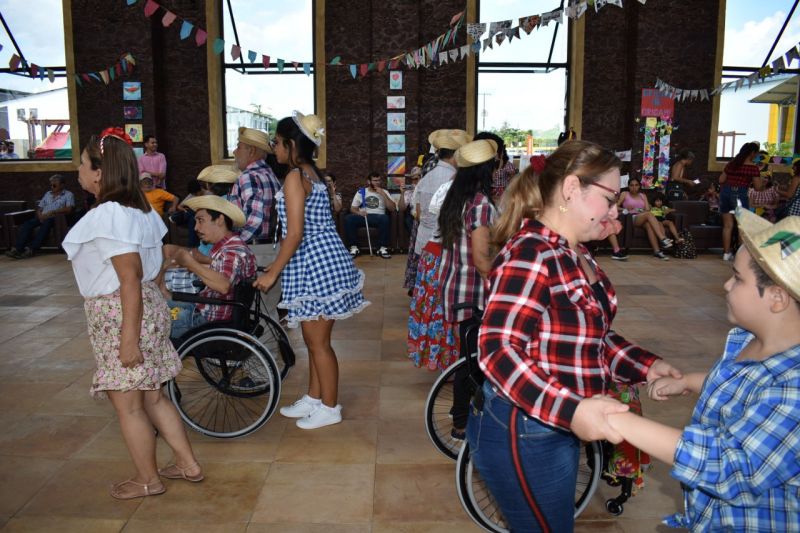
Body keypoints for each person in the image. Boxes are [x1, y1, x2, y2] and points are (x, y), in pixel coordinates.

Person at [470, 140, 681, 532]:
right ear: (571, 188)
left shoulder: (574, 251)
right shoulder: (532, 253)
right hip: (525, 427)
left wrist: (646, 366)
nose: (616, 211)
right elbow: (497, 348)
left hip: (553, 420)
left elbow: (589, 335)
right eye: (610, 199)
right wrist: (571, 410)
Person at [597, 208, 800, 532]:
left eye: (738, 278)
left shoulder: (794, 387)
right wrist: (690, 382)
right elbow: (741, 389)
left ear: (777, 297)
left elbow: (728, 464)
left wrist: (618, 421)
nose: (726, 284)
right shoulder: (749, 341)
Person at [62, 127, 201, 500]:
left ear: (99, 173)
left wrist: (128, 340)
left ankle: (147, 480)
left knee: (129, 405)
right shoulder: (140, 209)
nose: (79, 170)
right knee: (153, 396)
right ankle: (187, 464)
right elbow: (151, 267)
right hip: (144, 306)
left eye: (82, 164)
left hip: (122, 313)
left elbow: (129, 277)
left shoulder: (110, 214)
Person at [253, 111, 368, 430]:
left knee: (318, 343)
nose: (274, 148)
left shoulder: (295, 176)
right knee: (313, 339)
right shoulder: (312, 174)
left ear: (292, 145)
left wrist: (272, 273)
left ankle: (330, 407)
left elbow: (294, 234)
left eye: (277, 142)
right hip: (321, 260)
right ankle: (315, 397)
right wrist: (279, 266)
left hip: (316, 263)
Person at [437, 139, 498, 439]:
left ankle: (460, 412)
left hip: (456, 286)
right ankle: (461, 423)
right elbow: (482, 260)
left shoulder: (456, 197)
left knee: (468, 355)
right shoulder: (481, 204)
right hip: (474, 292)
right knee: (472, 362)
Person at [407, 129, 472, 371]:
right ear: (456, 155)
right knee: (444, 309)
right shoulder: (453, 180)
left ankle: (435, 355)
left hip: (427, 244)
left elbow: (416, 210)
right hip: (445, 247)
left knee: (431, 306)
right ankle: (448, 359)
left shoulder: (427, 176)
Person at [160, 195, 256, 339]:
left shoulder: (232, 251)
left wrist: (190, 262)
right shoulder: (228, 247)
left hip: (207, 321)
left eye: (201, 221)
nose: (195, 227)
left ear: (220, 220)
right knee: (160, 300)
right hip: (206, 309)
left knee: (150, 325)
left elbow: (223, 285)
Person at [232, 126, 282, 321]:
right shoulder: (271, 176)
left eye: (238, 146)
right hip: (272, 250)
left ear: (251, 150)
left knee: (256, 316)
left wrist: (235, 244)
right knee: (268, 313)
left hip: (255, 252)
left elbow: (256, 219)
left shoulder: (249, 177)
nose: (234, 152)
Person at [6, 174, 75, 259]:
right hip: (43, 216)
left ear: (62, 185)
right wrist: (40, 216)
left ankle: (31, 249)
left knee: (46, 223)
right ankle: (18, 249)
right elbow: (40, 208)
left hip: (56, 218)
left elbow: (69, 209)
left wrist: (53, 212)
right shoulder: (48, 194)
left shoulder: (68, 195)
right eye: (51, 185)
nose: (52, 187)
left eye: (54, 185)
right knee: (27, 224)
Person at [719, 141, 760, 261]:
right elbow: (758, 187)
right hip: (740, 196)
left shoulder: (731, 164)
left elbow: (721, 180)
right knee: (741, 226)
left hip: (725, 193)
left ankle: (726, 254)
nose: (756, 156)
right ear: (752, 153)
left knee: (727, 226)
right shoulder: (753, 168)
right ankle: (739, 255)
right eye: (756, 153)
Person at [618, 176, 674, 260]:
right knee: (648, 214)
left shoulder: (643, 195)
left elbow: (647, 209)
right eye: (632, 185)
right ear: (628, 186)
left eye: (636, 185)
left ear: (639, 186)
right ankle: (663, 238)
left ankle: (657, 251)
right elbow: (615, 206)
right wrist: (625, 209)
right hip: (631, 218)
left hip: (643, 216)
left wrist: (642, 210)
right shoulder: (625, 194)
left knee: (648, 225)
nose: (634, 187)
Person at [345, 172, 396, 258]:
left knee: (385, 218)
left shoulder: (385, 192)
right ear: (369, 182)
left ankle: (382, 248)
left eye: (379, 180)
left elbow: (392, 208)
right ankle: (354, 247)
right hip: (364, 216)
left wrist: (383, 194)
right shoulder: (361, 192)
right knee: (349, 218)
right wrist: (359, 213)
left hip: (379, 217)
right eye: (375, 180)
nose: (377, 182)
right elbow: (352, 208)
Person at [401, 166, 422, 294]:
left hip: (427, 221)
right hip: (414, 220)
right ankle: (413, 284)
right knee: (415, 253)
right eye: (413, 179)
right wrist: (402, 193)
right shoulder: (410, 192)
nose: (415, 181)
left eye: (418, 178)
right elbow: (402, 208)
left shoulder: (426, 188)